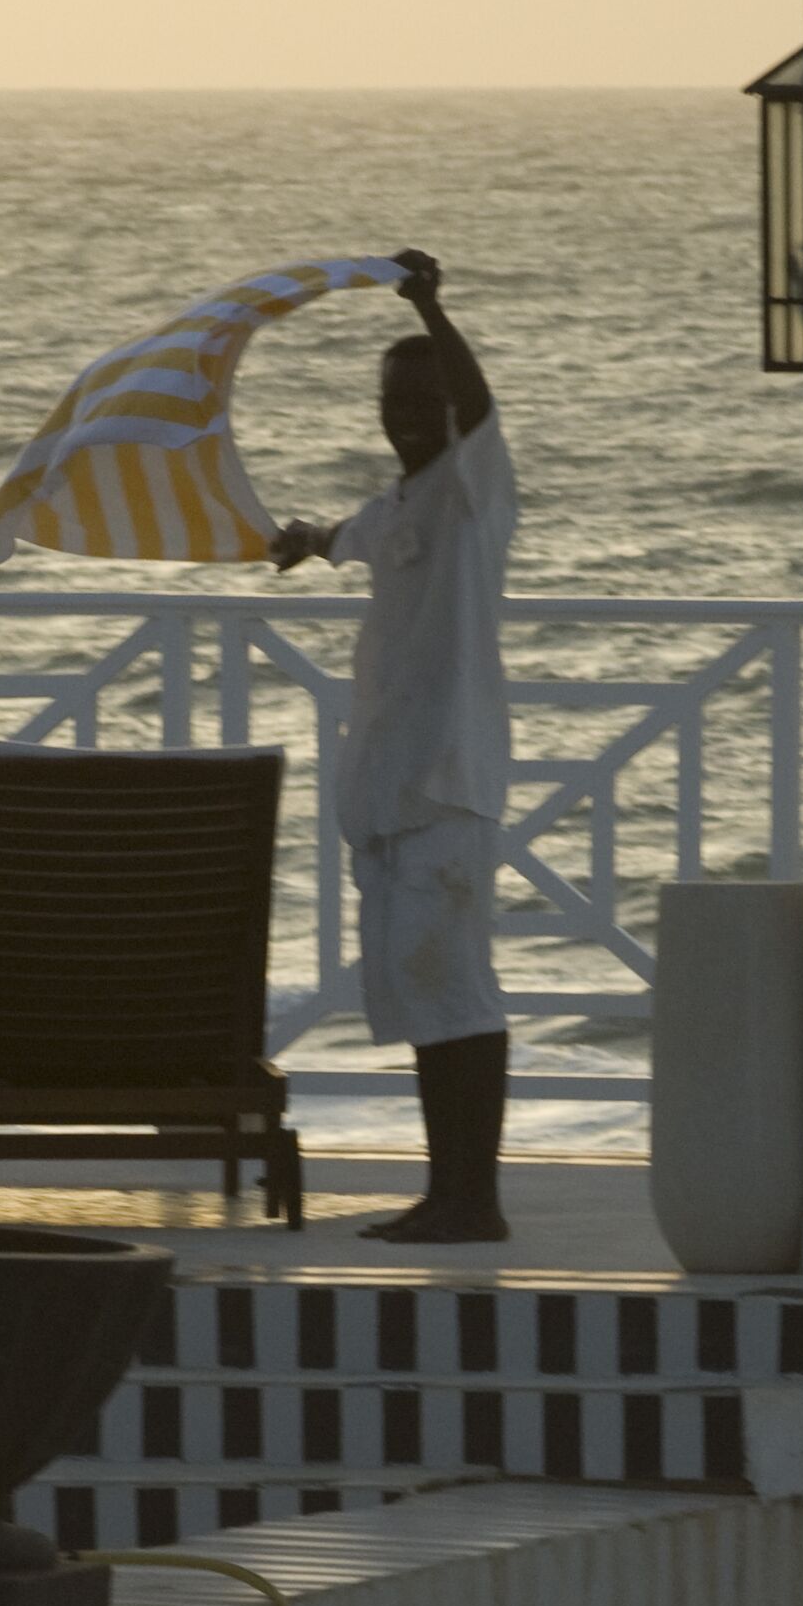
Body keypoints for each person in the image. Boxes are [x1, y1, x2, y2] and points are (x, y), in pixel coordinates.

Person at [273, 250, 514, 1242]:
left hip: (444, 789)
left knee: (455, 996)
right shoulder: (404, 501)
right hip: (390, 800)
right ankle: (447, 1191)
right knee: (426, 998)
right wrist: (299, 539)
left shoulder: (469, 490)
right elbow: (349, 536)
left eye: (422, 399)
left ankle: (472, 1198)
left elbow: (477, 403)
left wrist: (431, 310)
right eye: (392, 399)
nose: (408, 415)